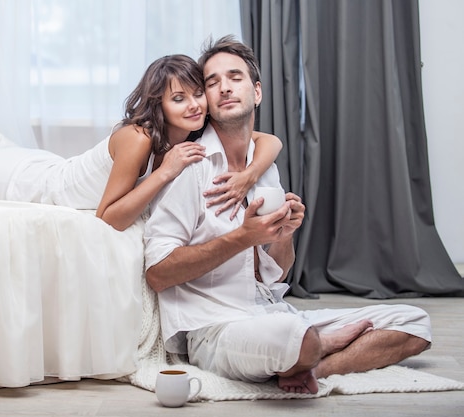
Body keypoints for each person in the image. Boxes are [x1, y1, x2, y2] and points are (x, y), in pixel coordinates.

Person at [143, 35, 432, 394]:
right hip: (216, 329)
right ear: (206, 99)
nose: (224, 88)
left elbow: (277, 274)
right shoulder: (191, 168)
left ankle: (313, 366)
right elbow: (157, 274)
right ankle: (308, 351)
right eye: (212, 82)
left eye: (235, 77)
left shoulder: (264, 170)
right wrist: (242, 237)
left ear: (257, 92)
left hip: (273, 314)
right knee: (296, 338)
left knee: (414, 322)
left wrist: (284, 234)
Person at [0, 32, 283, 231]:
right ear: (159, 105)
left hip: (44, 167)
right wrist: (165, 172)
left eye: (199, 94)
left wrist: (247, 175)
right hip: (24, 182)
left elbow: (269, 141)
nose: (195, 104)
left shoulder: (193, 128)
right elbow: (107, 218)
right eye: (179, 99)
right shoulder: (139, 137)